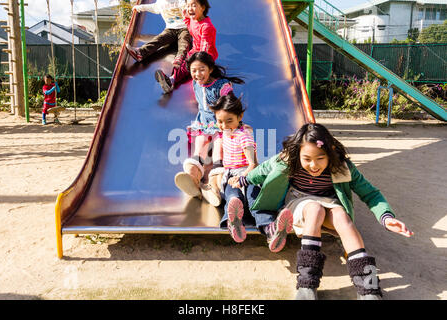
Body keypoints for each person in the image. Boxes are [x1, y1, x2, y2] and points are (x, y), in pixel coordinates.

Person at [231, 123, 413, 299]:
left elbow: (370, 193)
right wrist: (243, 180)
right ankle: (307, 285)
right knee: (314, 209)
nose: (313, 165)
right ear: (298, 153)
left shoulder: (342, 167)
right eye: (307, 159)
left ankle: (368, 288)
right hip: (298, 201)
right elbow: (263, 169)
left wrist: (386, 217)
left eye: (320, 158)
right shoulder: (287, 160)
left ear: (330, 152)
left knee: (342, 216)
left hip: (329, 202)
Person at [210, 93, 294, 252]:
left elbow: (252, 164)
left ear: (240, 116)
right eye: (220, 121)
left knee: (254, 201)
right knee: (232, 197)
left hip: (247, 175)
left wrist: (242, 179)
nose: (224, 125)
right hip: (230, 175)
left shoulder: (244, 136)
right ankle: (235, 222)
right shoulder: (228, 132)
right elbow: (221, 128)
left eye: (229, 121)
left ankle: (271, 230)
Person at [175, 52, 244, 207]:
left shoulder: (222, 86)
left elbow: (231, 107)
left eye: (201, 69)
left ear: (210, 69)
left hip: (221, 124)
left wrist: (236, 125)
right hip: (203, 125)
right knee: (200, 145)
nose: (197, 74)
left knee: (219, 147)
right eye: (194, 70)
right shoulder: (195, 84)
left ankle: (214, 185)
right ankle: (192, 178)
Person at [155, 0, 218, 94]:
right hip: (195, 49)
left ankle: (172, 81)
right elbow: (189, 25)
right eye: (188, 6)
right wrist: (186, 17)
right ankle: (171, 78)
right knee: (180, 61)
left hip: (206, 55)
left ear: (203, 8)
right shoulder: (193, 19)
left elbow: (205, 50)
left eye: (193, 5)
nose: (189, 9)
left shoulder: (206, 27)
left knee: (187, 65)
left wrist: (196, 61)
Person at [126, 0, 192, 70]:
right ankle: (141, 53)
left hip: (184, 28)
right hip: (170, 29)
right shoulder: (161, 2)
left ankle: (180, 57)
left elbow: (190, 8)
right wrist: (140, 7)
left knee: (184, 41)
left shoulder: (181, 1)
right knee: (159, 39)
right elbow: (153, 7)